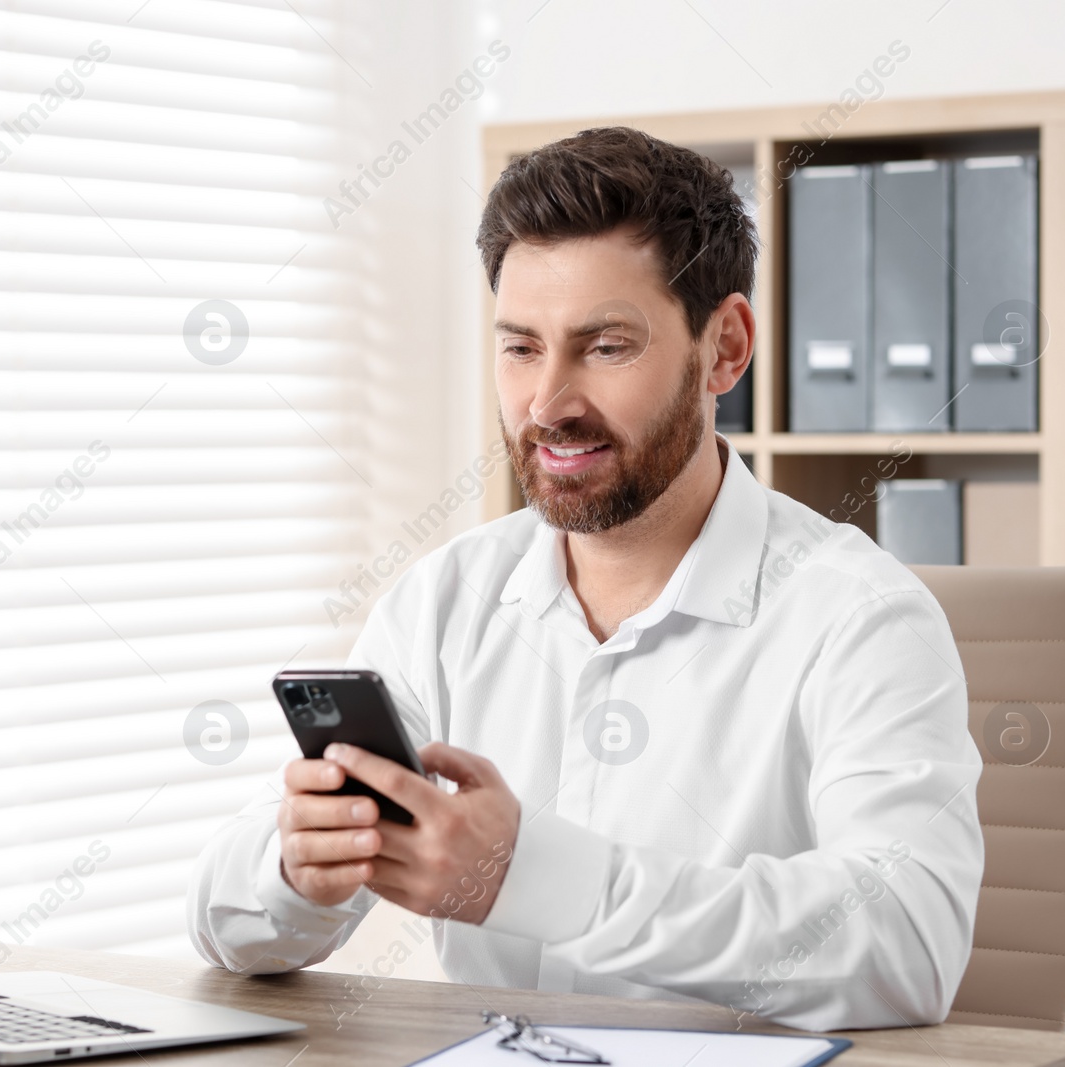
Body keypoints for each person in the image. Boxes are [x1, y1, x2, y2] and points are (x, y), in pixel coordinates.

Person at [187, 125, 982, 1031]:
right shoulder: (444, 600)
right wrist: (296, 870)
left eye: (604, 347)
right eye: (521, 348)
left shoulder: (859, 615)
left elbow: (907, 944)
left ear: (724, 348)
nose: (547, 403)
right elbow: (225, 923)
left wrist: (540, 879)